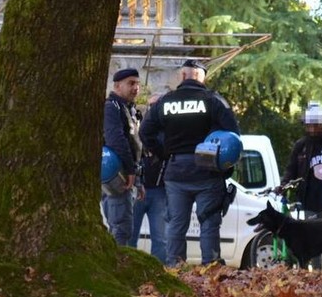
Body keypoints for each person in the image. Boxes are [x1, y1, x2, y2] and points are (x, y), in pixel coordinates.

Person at [139, 59, 240, 267]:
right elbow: (233, 135)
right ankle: (211, 269)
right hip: (208, 170)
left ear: (183, 75)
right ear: (201, 78)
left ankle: (175, 269)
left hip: (176, 170)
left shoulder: (165, 102)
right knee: (209, 222)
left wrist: (163, 153)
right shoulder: (213, 101)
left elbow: (145, 132)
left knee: (176, 224)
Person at [283, 102, 322, 219]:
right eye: (309, 125)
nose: (312, 129)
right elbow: (291, 170)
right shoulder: (301, 146)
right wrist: (283, 185)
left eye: (316, 125)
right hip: (309, 205)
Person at [103, 68, 142, 245]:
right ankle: (116, 260)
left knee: (121, 225)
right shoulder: (112, 107)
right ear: (117, 86)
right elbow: (116, 140)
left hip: (124, 173)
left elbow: (135, 145)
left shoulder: (128, 108)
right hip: (118, 173)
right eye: (131, 83)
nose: (136, 88)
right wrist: (130, 170)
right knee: (121, 227)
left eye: (138, 84)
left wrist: (138, 179)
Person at [128, 93, 168, 262]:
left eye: (156, 105)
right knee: (130, 236)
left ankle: (160, 271)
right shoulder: (138, 128)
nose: (153, 109)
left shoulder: (167, 131)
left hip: (159, 190)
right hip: (138, 188)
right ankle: (127, 269)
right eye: (150, 106)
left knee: (160, 239)